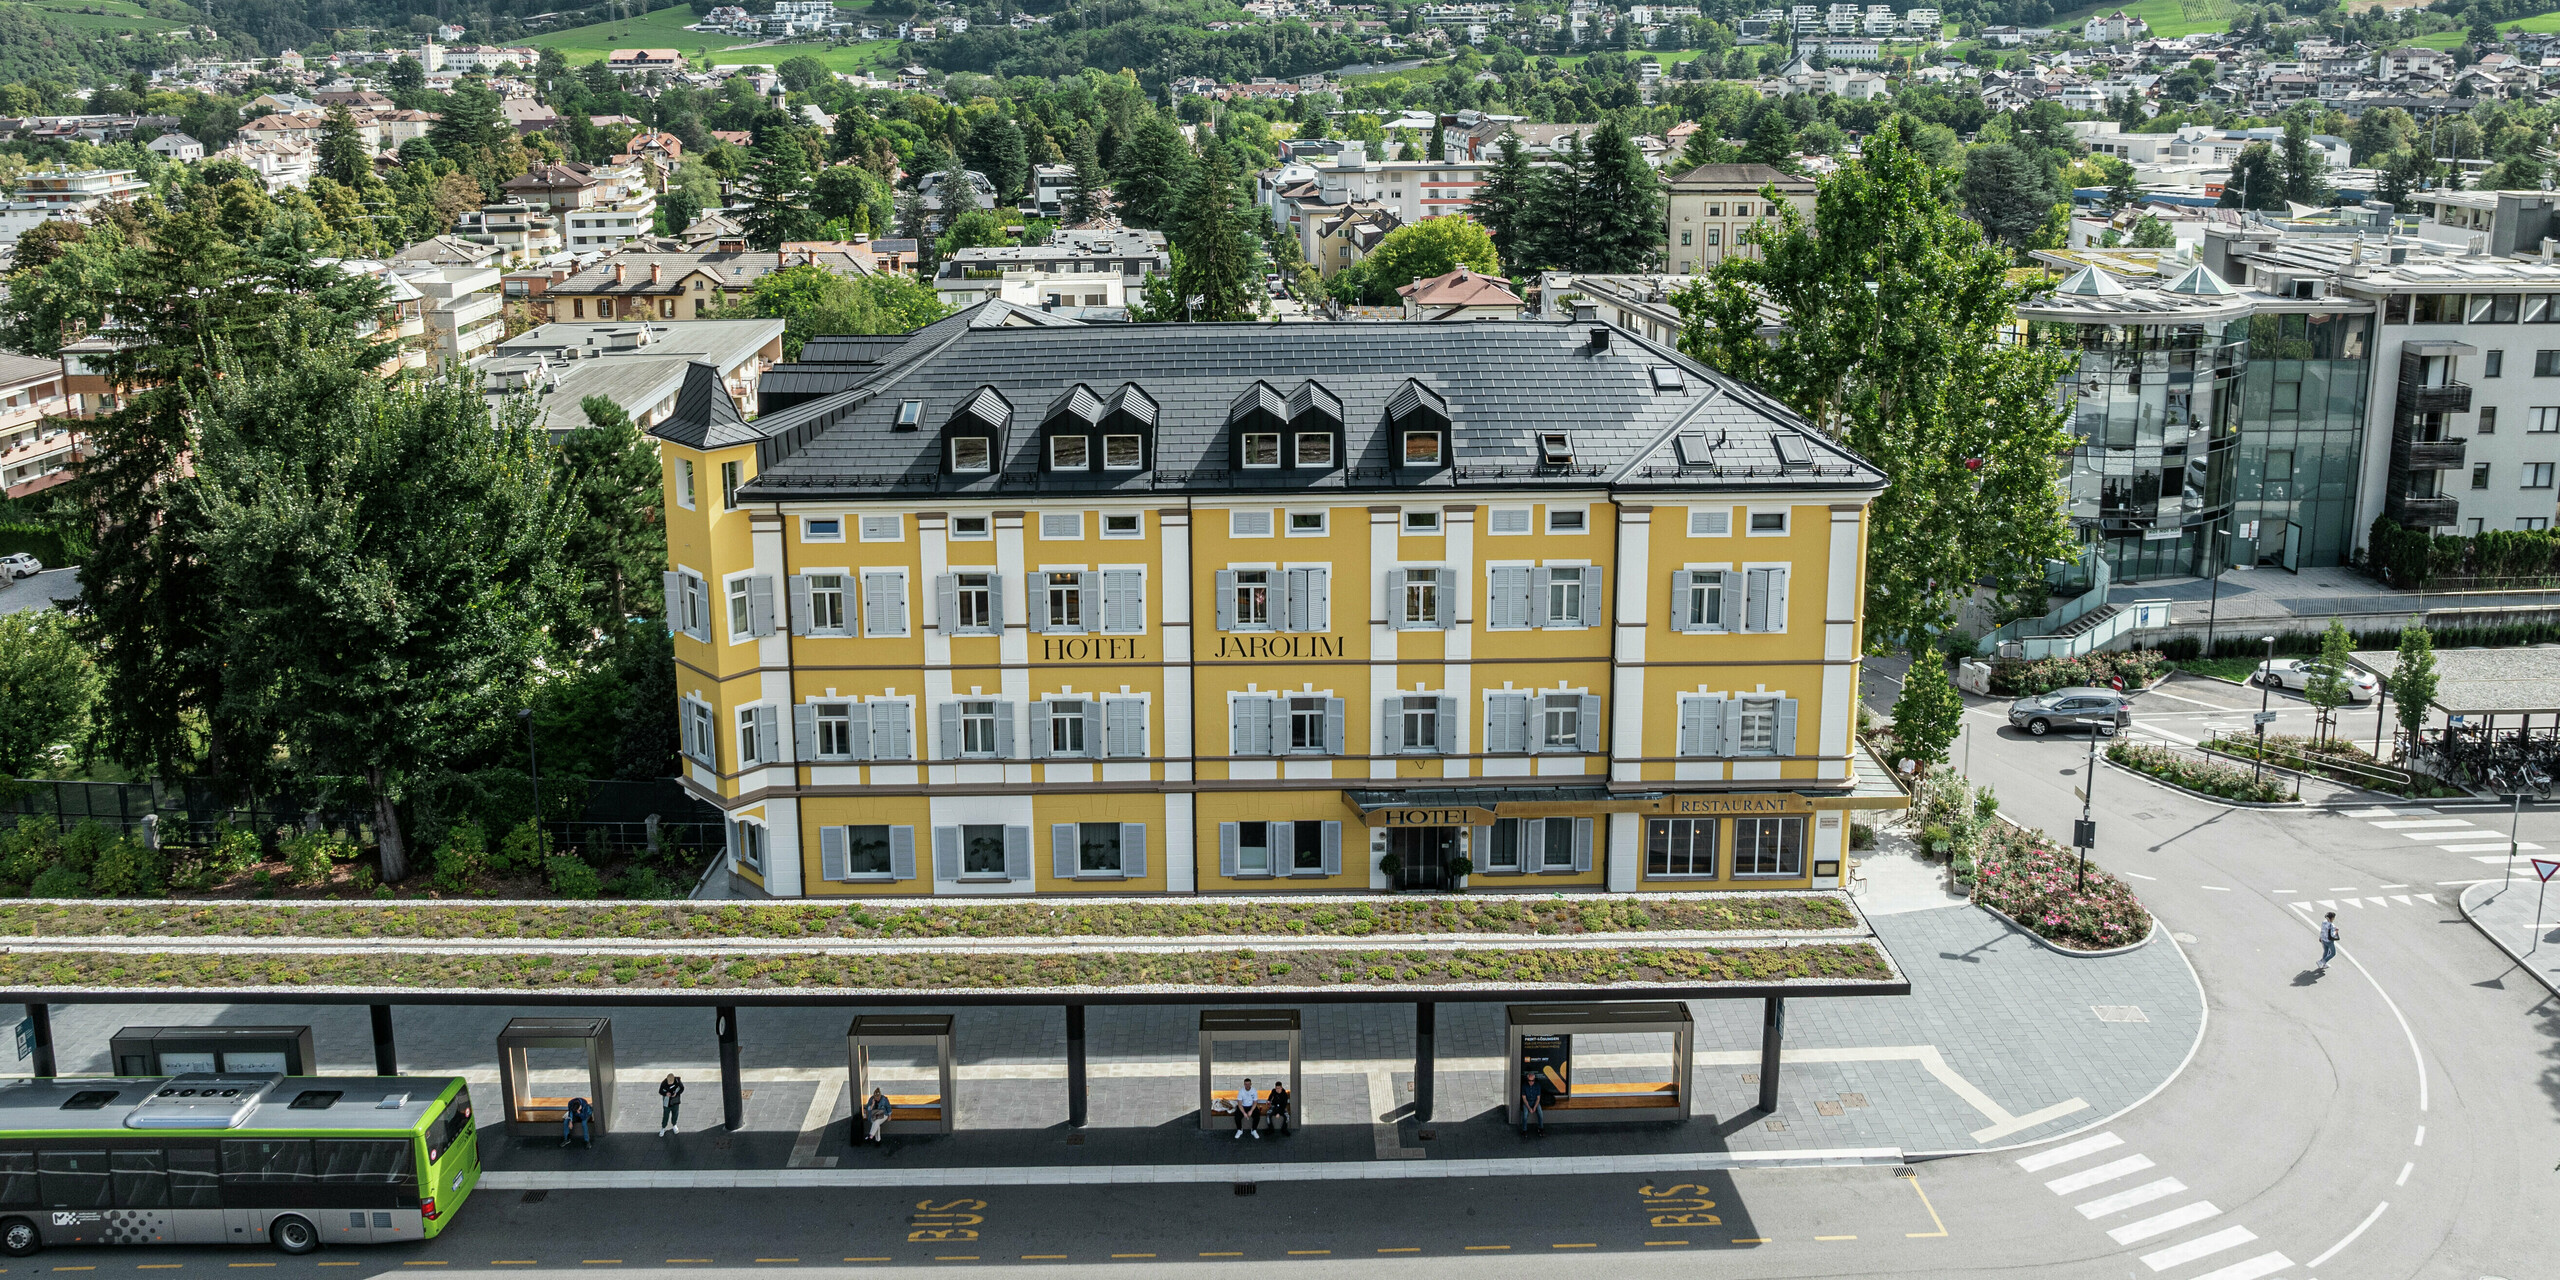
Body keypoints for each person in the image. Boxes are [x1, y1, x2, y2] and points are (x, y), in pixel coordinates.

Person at [1519, 1067, 1546, 1136]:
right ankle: (1524, 1130)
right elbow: (1524, 1098)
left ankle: (1541, 1128)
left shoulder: (1537, 1085)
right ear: (1527, 1080)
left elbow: (1538, 1098)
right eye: (1529, 1080)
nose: (1531, 1082)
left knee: (1540, 1113)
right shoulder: (1524, 1086)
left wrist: (1534, 1107)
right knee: (1525, 1115)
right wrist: (1529, 1108)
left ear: (1534, 1080)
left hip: (1535, 1101)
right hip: (1527, 1102)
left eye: (1532, 1080)